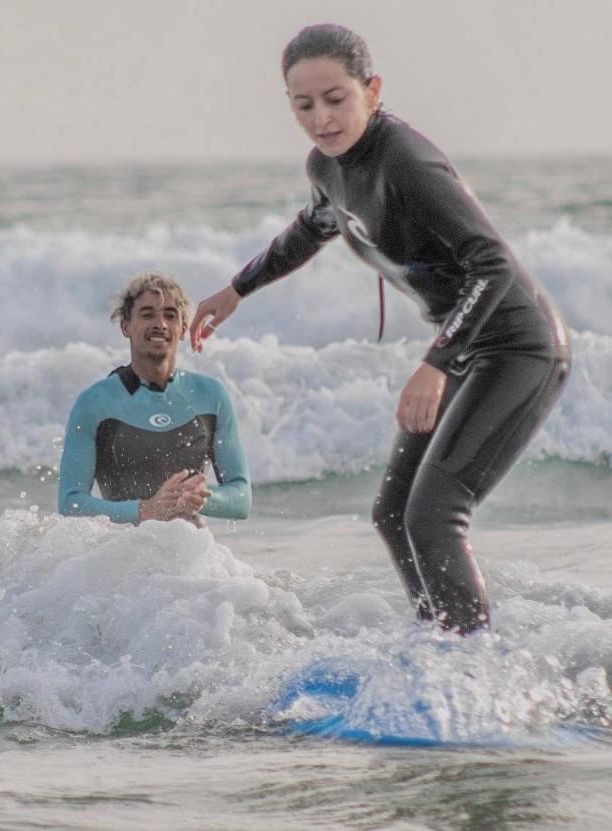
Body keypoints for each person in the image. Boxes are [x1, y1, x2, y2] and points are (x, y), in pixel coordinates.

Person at [189, 24, 570, 633]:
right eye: (303, 104)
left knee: (435, 512)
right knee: (393, 512)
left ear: (372, 89)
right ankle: (440, 644)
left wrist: (437, 363)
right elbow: (311, 228)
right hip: (467, 347)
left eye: (336, 98)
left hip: (520, 348)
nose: (322, 118)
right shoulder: (327, 165)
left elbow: (491, 260)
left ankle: (471, 666)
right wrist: (239, 287)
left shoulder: (406, 162)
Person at [59, 272, 251, 526]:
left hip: (194, 554)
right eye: (148, 314)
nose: (160, 323)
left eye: (170, 315)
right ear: (126, 325)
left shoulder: (211, 395)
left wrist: (201, 498)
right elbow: (70, 504)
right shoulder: (95, 402)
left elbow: (242, 498)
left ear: (183, 328)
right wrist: (144, 510)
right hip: (120, 554)